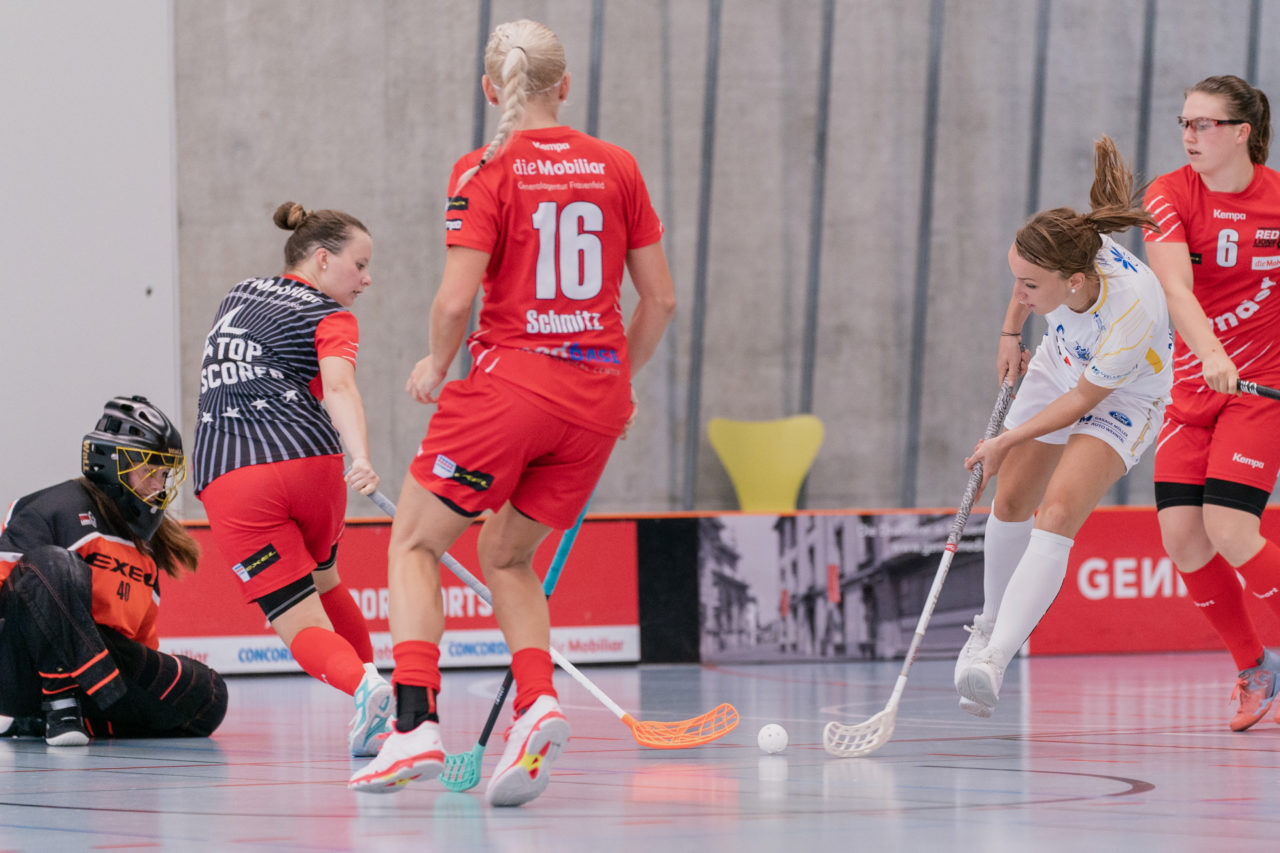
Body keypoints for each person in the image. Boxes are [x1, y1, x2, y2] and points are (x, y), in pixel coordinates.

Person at [348, 19, 675, 806]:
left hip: (511, 389)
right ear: (564, 86)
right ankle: (538, 702)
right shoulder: (617, 165)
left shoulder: (484, 167)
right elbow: (659, 298)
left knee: (416, 542)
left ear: (492, 89)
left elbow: (456, 297)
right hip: (594, 403)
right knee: (505, 554)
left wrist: (434, 363)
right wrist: (617, 384)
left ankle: (415, 723)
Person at [953, 136, 1173, 716]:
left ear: (1074, 282)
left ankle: (995, 658)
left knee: (1055, 515)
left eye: (1031, 286)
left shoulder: (1133, 309)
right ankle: (989, 624)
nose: (1020, 293)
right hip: (1064, 359)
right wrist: (1009, 334)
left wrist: (1004, 438)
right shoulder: (1065, 252)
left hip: (1126, 393)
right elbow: (1025, 288)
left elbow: (1082, 402)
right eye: (1016, 280)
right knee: (1010, 501)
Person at [193, 202, 389, 756]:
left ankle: (365, 689)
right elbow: (340, 386)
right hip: (315, 468)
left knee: (296, 622)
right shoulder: (332, 317)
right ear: (323, 259)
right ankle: (378, 706)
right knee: (326, 583)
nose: (367, 279)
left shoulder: (238, 295)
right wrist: (361, 456)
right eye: (360, 265)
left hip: (235, 476)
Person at [1143, 75, 1280, 731]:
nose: (1189, 135)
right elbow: (1175, 287)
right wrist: (1212, 354)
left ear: (1241, 133)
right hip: (1196, 388)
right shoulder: (1168, 193)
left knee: (1230, 527)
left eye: (1203, 124)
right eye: (1184, 123)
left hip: (1260, 392)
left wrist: (1237, 361)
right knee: (1183, 538)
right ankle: (1255, 667)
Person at [0, 395, 227, 745]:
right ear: (113, 462)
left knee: (210, 695)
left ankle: (63, 720)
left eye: (164, 474)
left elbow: (139, 648)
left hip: (102, 675)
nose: (159, 484)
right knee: (53, 564)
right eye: (152, 470)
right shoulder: (50, 508)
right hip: (24, 672)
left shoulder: (145, 549)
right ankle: (60, 706)